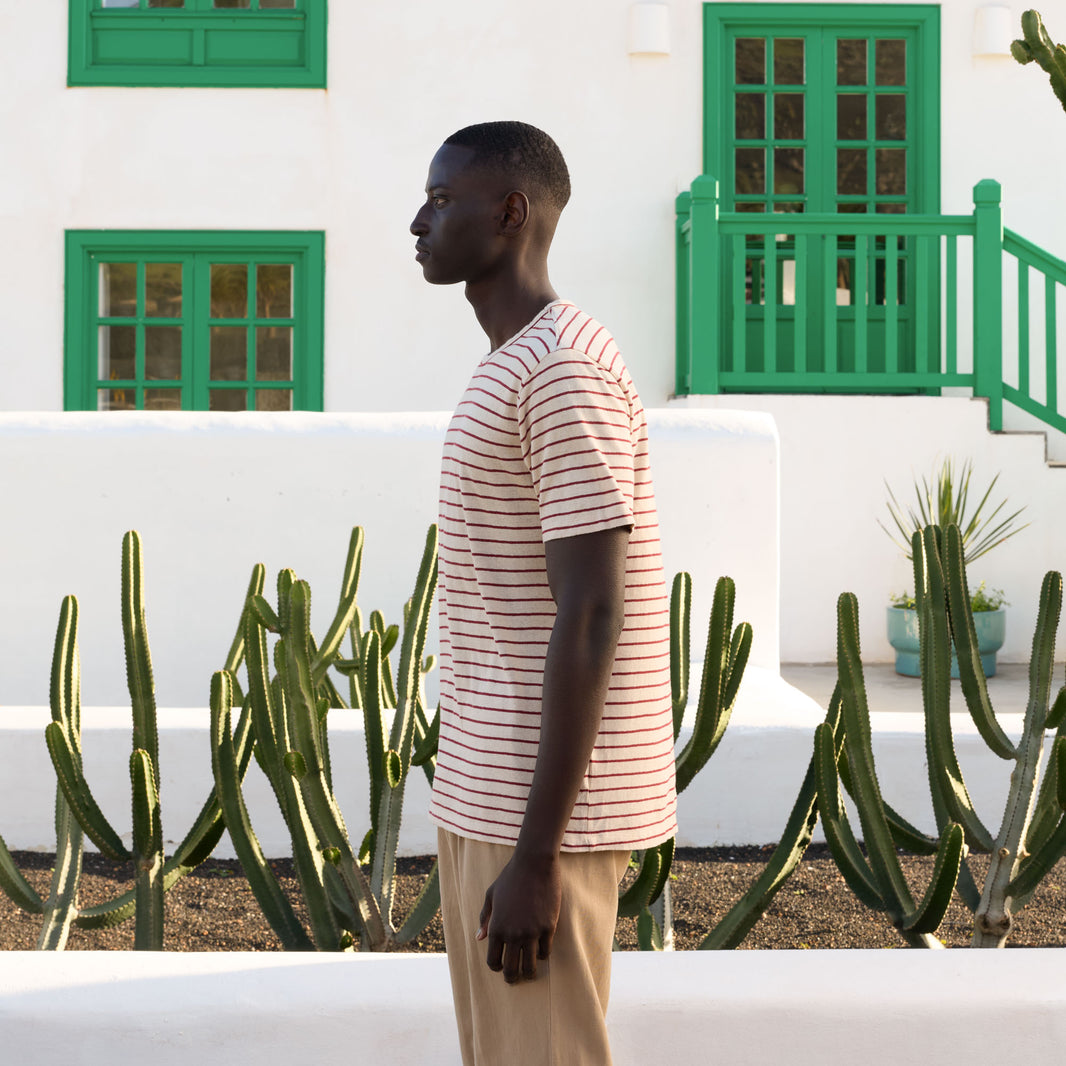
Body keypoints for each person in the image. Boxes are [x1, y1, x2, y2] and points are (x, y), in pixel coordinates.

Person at [410, 121, 677, 1066]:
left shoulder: (563, 366)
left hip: (540, 813)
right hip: (490, 786)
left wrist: (537, 856)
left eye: (443, 202)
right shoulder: (515, 361)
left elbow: (593, 609)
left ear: (511, 213)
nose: (419, 221)